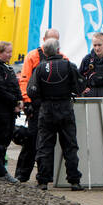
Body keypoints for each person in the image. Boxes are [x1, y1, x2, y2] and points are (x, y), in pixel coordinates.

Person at [28, 38, 83, 190]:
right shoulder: (69, 65)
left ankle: (43, 181)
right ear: (59, 49)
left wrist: (42, 98)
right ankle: (74, 181)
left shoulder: (39, 68)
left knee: (45, 146)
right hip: (65, 108)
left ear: (45, 52)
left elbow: (31, 91)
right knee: (70, 145)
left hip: (47, 110)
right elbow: (80, 86)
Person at [14, 27, 61, 182]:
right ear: (44, 40)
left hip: (54, 106)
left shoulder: (63, 58)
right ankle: (22, 174)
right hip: (36, 104)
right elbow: (24, 80)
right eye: (51, 39)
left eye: (56, 40)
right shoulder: (33, 56)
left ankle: (48, 174)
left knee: (51, 141)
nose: (53, 43)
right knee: (32, 140)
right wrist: (27, 101)